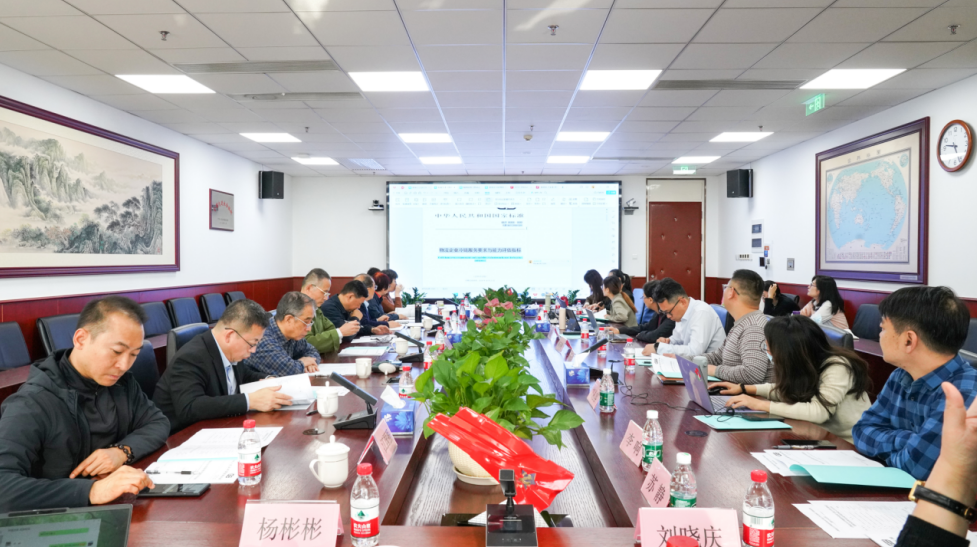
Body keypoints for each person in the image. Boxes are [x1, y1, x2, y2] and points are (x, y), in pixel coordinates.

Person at [0, 296, 168, 512]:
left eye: (134, 354)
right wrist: (92, 490)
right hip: (58, 519)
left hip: (116, 508)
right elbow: (3, 486)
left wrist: (122, 451)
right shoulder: (32, 402)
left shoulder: (122, 383)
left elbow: (157, 422)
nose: (124, 365)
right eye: (117, 351)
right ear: (81, 339)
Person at [852, 286, 977, 480]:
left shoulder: (962, 392)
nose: (880, 335)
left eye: (883, 329)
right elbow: (861, 431)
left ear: (908, 340)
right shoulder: (901, 375)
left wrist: (897, 446)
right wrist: (908, 439)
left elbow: (917, 468)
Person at [712, 315, 872, 441]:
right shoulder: (804, 364)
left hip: (848, 445)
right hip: (816, 434)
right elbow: (789, 390)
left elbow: (819, 412)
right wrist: (744, 388)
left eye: (769, 348)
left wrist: (761, 404)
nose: (768, 352)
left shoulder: (838, 367)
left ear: (788, 351)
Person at [153, 299, 295, 434]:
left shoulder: (231, 351)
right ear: (229, 336)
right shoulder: (190, 358)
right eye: (252, 344)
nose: (254, 350)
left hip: (218, 426)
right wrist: (250, 401)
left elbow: (244, 375)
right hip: (182, 436)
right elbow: (190, 407)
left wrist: (268, 380)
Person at [894, 383, 977, 547]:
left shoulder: (964, 385)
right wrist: (958, 473)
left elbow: (917, 462)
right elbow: (863, 427)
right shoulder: (899, 378)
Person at [701, 270, 772, 384]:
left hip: (748, 394)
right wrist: (683, 360)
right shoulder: (743, 322)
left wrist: (715, 370)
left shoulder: (754, 327)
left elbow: (753, 374)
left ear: (731, 292)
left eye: (726, 287)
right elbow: (717, 357)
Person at [242, 292, 322, 377]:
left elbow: (313, 351)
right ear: (289, 320)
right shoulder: (263, 338)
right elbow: (290, 371)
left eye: (310, 322)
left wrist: (308, 362)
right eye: (306, 322)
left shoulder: (292, 334)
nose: (309, 329)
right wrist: (302, 363)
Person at [642, 278, 725, 359]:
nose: (668, 316)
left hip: (711, 365)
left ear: (682, 302)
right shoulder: (681, 314)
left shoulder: (701, 313)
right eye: (664, 312)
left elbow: (695, 352)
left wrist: (659, 348)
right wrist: (668, 341)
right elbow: (677, 339)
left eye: (668, 312)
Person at [301, 268, 359, 354]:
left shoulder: (316, 309)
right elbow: (307, 343)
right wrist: (340, 332)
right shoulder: (296, 309)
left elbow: (330, 328)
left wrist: (337, 333)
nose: (326, 298)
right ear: (309, 288)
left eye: (327, 294)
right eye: (324, 292)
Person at [608, 280, 676, 343]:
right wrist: (620, 330)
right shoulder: (658, 313)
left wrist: (640, 334)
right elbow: (645, 327)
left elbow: (655, 335)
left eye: (643, 297)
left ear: (650, 300)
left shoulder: (670, 315)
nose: (643, 300)